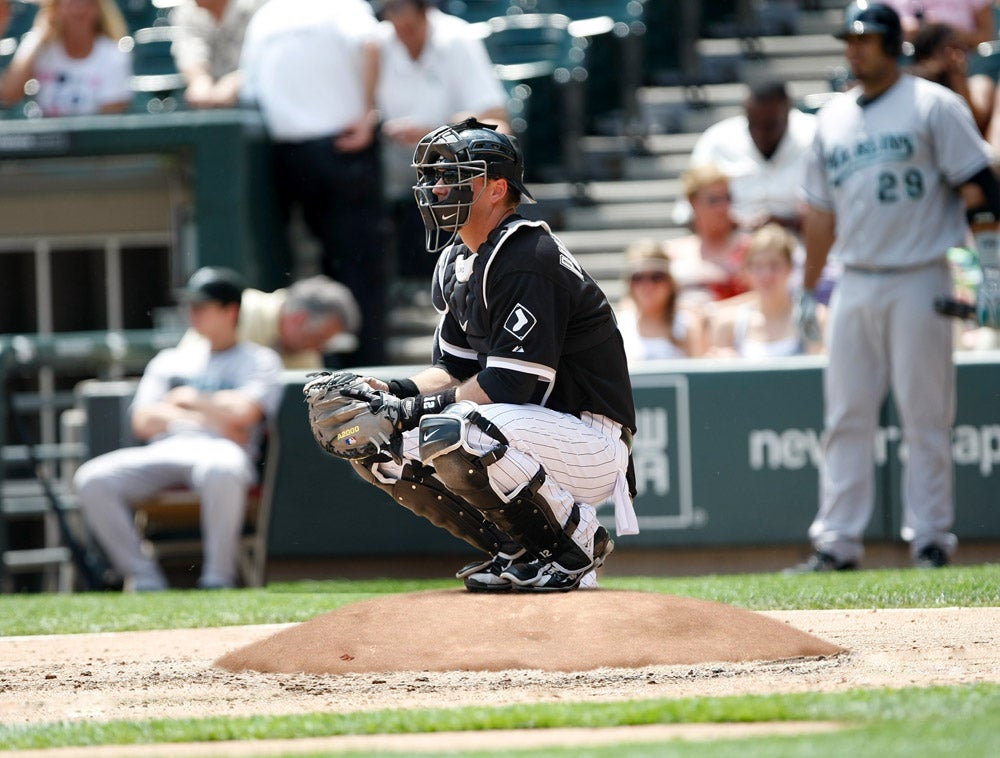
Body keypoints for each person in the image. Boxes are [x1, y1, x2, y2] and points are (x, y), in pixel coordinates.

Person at [305, 119, 638, 592]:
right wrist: (390, 394)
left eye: (454, 175)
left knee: (456, 429)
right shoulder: (462, 259)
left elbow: (508, 383)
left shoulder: (528, 255)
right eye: (433, 176)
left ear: (498, 188)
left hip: (590, 440)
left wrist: (408, 410)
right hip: (528, 434)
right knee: (379, 448)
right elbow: (455, 371)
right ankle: (520, 544)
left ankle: (577, 543)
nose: (437, 187)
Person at [789, 2, 998, 572]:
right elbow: (819, 215)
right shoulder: (831, 118)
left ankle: (931, 539)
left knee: (925, 416)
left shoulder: (933, 105)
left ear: (892, 44)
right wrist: (810, 289)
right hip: (855, 278)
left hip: (919, 272)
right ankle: (836, 543)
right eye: (849, 39)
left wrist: (991, 270)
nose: (854, 49)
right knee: (845, 417)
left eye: (866, 39)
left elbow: (981, 187)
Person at [74, 267, 283, 590]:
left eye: (202, 306)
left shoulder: (259, 360)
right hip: (167, 449)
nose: (192, 313)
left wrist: (187, 399)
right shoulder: (170, 360)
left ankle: (218, 579)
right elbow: (143, 422)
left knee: (222, 469)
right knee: (92, 478)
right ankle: (145, 579)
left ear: (230, 311)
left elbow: (244, 416)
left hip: (223, 451)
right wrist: (213, 412)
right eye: (190, 305)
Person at [239, 0, 387, 364]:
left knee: (346, 264)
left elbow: (373, 44)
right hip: (307, 152)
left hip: (323, 149)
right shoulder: (271, 14)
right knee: (330, 264)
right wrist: (369, 114)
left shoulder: (275, 13)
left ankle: (362, 366)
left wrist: (368, 115)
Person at [373, 0, 509, 285]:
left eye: (400, 9)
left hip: (450, 160)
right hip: (386, 166)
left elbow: (495, 115)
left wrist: (435, 133)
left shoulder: (457, 38)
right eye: (389, 10)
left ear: (423, 8)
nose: (395, 20)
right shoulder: (376, 43)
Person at [672, 79, 817, 234]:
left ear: (788, 112)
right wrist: (736, 225)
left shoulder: (816, 135)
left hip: (806, 249)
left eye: (770, 125)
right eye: (753, 124)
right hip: (730, 252)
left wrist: (786, 224)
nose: (760, 133)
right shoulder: (717, 140)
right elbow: (687, 213)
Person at [178, 274, 362, 370]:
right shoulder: (242, 311)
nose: (319, 349)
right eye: (319, 339)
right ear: (300, 318)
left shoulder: (304, 350)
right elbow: (191, 373)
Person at [0, 0, 132, 117]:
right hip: (48, 140)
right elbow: (9, 95)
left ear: (98, 8)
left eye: (87, 3)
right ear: (56, 8)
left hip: (92, 143)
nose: (79, 9)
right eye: (70, 3)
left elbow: (111, 119)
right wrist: (36, 38)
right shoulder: (42, 49)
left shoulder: (113, 56)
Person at [708, 223, 821, 358]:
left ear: (790, 268)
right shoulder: (728, 324)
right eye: (758, 266)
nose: (766, 275)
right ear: (747, 270)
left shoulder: (815, 319)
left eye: (775, 265)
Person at [666, 164, 753, 306]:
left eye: (727, 198)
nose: (723, 207)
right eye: (714, 200)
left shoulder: (750, 248)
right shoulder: (672, 251)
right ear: (693, 202)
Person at [616, 239, 706, 365]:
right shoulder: (620, 326)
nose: (647, 285)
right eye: (638, 277)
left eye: (656, 277)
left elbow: (700, 378)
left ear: (670, 282)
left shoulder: (687, 325)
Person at [168, 0, 265, 109]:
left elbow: (270, 61)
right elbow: (189, 51)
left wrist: (240, 80)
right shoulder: (187, 11)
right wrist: (199, 80)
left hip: (263, 104)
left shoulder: (261, 6)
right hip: (213, 103)